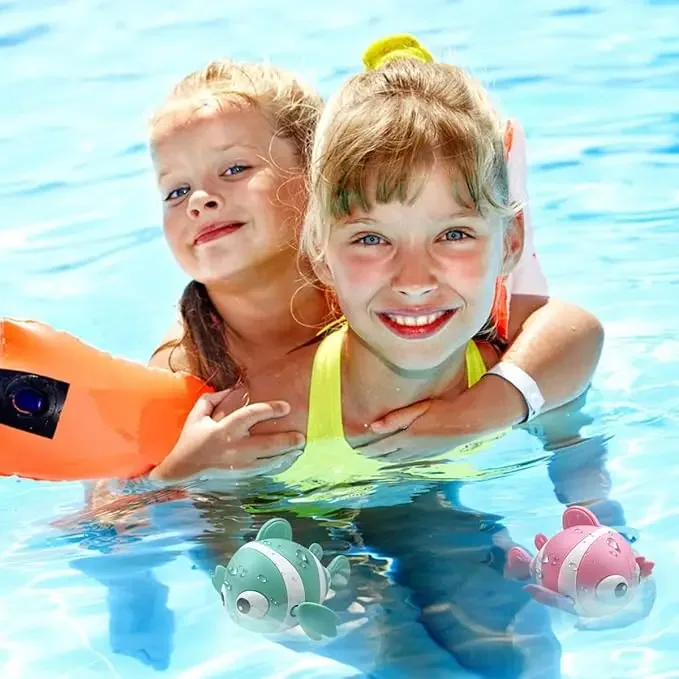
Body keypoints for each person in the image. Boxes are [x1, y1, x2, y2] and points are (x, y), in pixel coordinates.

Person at [143, 34, 626, 677]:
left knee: (519, 652)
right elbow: (121, 503)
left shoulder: (391, 302)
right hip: (278, 534)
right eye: (175, 190)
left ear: (311, 188)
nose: (201, 199)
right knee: (396, 650)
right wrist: (186, 472)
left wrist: (493, 403)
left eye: (235, 169)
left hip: (409, 497)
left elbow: (570, 330)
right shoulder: (189, 363)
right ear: (327, 241)